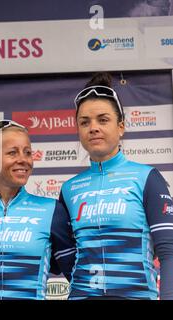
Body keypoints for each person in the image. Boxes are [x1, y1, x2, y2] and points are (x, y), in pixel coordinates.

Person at [59, 72, 173, 300]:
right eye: (85, 122)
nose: (93, 128)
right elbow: (66, 258)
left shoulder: (147, 177)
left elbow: (169, 252)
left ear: (121, 127)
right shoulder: (69, 189)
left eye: (103, 120)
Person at [0, 119, 76, 299]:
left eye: (27, 152)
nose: (23, 159)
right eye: (12, 152)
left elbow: (78, 278)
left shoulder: (51, 210)